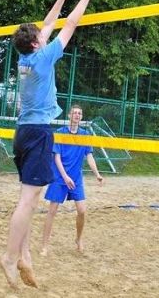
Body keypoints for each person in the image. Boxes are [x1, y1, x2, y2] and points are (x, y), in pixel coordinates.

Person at [0, 0, 98, 289]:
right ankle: (9, 256)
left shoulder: (24, 57)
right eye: (40, 36)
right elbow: (69, 24)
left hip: (22, 133)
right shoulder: (43, 57)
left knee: (26, 198)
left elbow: (48, 24)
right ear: (35, 43)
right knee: (28, 202)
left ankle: (24, 255)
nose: (44, 35)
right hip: (39, 132)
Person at [40, 105, 103, 257]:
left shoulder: (85, 135)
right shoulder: (60, 133)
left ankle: (79, 239)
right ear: (69, 115)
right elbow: (56, 157)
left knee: (82, 211)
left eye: (79, 113)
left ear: (81, 117)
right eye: (74, 113)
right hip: (59, 177)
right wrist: (65, 177)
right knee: (52, 211)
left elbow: (89, 156)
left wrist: (97, 174)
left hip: (75, 178)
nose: (77, 115)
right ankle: (45, 246)